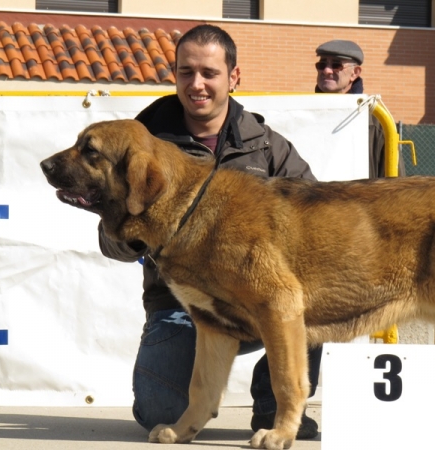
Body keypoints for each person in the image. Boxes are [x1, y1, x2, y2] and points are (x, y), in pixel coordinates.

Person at [98, 24, 321, 439]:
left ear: (233, 77)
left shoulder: (269, 147)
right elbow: (110, 245)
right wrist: (131, 233)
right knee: (159, 411)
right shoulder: (139, 143)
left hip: (259, 300)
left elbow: (315, 224)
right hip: (180, 307)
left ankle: (277, 407)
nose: (196, 84)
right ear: (175, 74)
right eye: (186, 72)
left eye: (209, 73)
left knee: (312, 293)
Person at [315, 39, 401, 178]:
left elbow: (395, 182)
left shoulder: (376, 121)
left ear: (355, 73)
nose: (326, 70)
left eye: (336, 65)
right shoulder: (302, 114)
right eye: (322, 64)